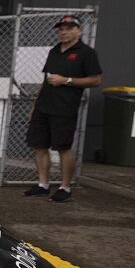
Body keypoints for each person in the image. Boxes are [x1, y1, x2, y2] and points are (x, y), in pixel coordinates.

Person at [24, 14, 102, 203]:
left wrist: (66, 80)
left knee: (63, 148)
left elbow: (96, 80)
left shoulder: (86, 53)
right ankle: (43, 185)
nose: (64, 32)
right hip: (44, 107)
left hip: (65, 108)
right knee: (39, 146)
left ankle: (65, 187)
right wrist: (35, 105)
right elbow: (46, 80)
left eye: (69, 28)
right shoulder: (54, 51)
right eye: (61, 29)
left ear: (79, 30)